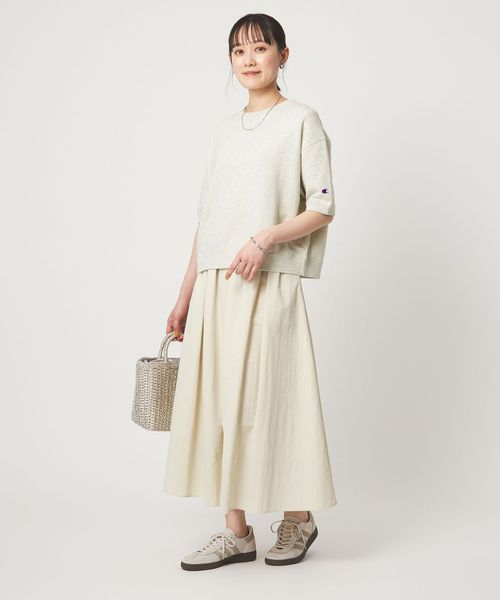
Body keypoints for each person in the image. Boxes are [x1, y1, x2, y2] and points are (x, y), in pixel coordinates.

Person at [163, 13, 338, 570]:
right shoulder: (221, 132)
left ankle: (298, 518)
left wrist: (265, 238)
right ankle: (236, 532)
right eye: (238, 50)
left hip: (268, 281)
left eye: (260, 48)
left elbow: (323, 206)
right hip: (216, 287)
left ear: (283, 55)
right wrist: (184, 297)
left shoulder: (302, 121)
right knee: (222, 406)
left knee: (276, 398)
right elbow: (208, 222)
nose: (248, 59)